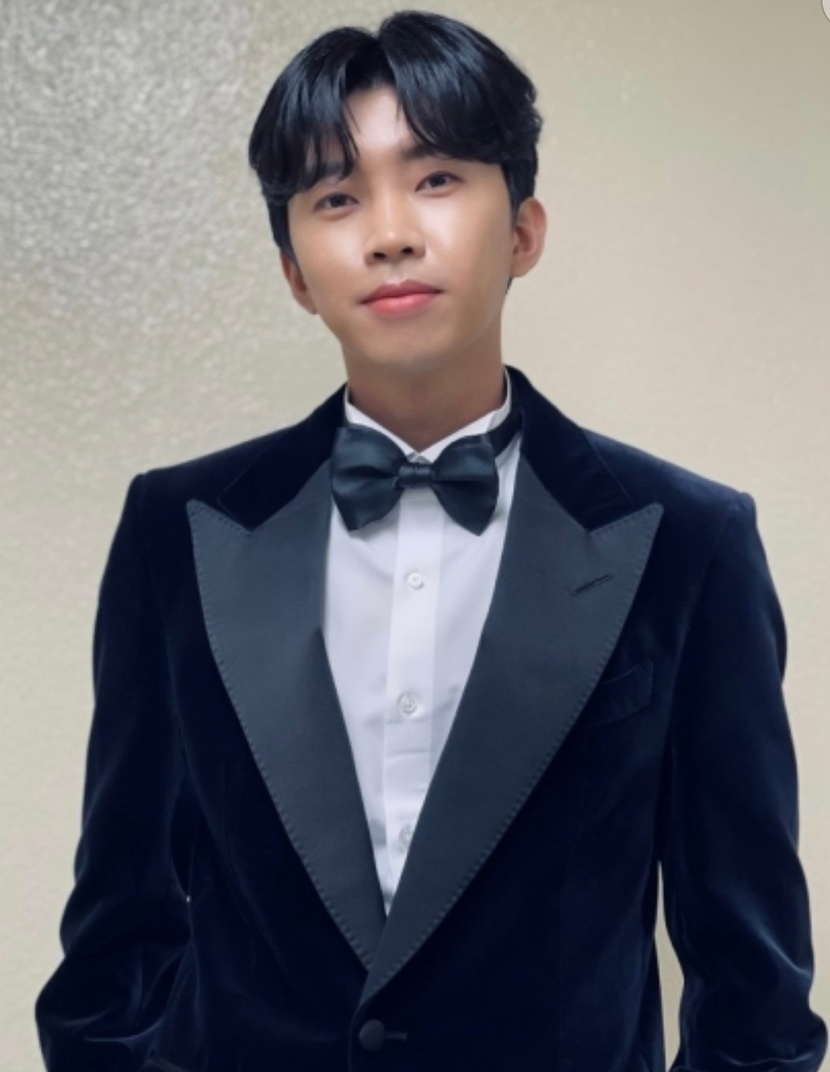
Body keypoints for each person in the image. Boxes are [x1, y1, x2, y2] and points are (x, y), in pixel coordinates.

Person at [35, 9, 827, 1072]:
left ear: (524, 231)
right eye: (336, 197)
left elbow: (753, 991)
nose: (390, 232)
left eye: (438, 178)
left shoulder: (689, 541)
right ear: (294, 271)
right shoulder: (177, 529)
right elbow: (116, 939)